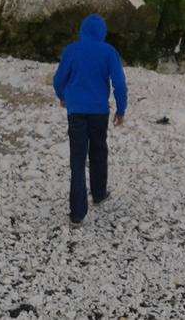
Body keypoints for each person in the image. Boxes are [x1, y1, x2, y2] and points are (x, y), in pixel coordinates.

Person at [53, 14, 128, 227]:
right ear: (102, 32)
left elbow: (59, 79)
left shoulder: (71, 50)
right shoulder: (109, 52)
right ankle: (99, 193)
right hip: (99, 112)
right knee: (98, 151)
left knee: (77, 159)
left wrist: (63, 97)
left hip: (76, 111)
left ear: (82, 30)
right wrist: (121, 109)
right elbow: (119, 84)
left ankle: (77, 214)